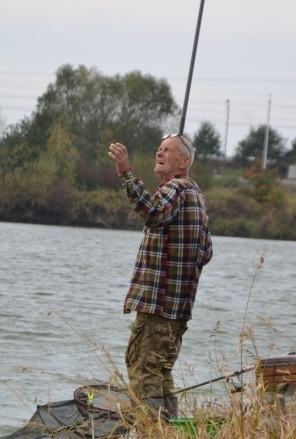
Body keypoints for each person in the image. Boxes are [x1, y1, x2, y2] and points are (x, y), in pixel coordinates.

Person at [107, 133, 213, 419]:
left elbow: (152, 213)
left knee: (143, 370)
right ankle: (168, 429)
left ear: (185, 161)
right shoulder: (196, 195)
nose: (160, 153)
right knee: (161, 373)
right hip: (178, 311)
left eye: (168, 150)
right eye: (160, 148)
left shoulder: (176, 188)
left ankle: (152, 431)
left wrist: (126, 173)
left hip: (158, 305)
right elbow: (206, 252)